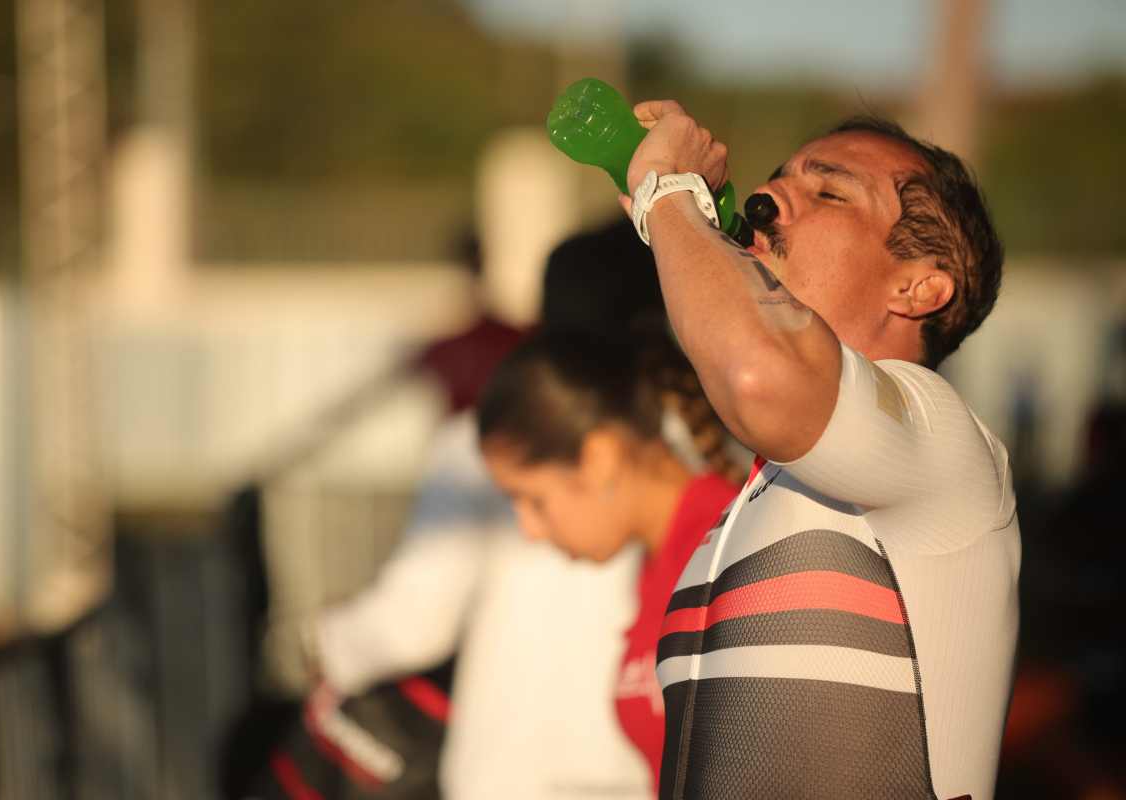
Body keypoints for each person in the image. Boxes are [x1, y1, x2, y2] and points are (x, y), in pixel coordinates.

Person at [615, 104, 1019, 800]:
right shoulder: (759, 496)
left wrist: (668, 194)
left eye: (829, 193)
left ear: (918, 287)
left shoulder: (941, 435)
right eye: (777, 180)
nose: (767, 198)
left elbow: (758, 376)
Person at [302, 219, 671, 800]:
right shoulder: (715, 449)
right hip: (647, 772)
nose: (531, 526)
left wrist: (323, 644)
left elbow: (413, 621)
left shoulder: (483, 442)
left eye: (534, 502)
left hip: (513, 774)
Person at [478, 329, 742, 790]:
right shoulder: (661, 559)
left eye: (534, 499)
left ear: (599, 459)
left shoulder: (727, 551)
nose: (529, 530)